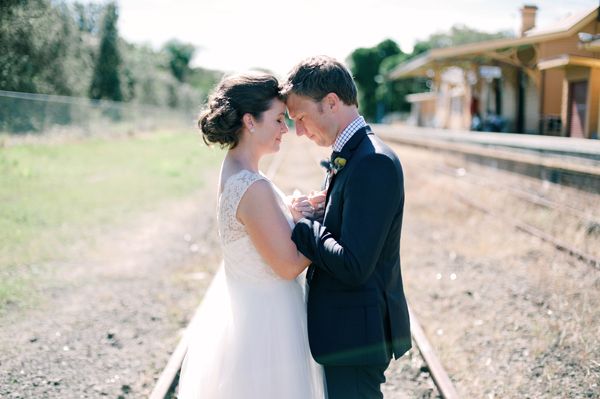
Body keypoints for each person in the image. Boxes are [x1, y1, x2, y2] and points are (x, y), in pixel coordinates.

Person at [177, 72, 325, 398]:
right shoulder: (252, 186)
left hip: (251, 313)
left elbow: (258, 228)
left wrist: (290, 211)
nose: (285, 129)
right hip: (268, 328)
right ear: (250, 121)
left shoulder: (236, 168)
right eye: (277, 119)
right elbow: (287, 266)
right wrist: (311, 224)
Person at [282, 56, 412, 399]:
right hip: (348, 329)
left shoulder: (373, 162)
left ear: (331, 103)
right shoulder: (354, 154)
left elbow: (354, 265)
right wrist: (329, 210)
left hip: (356, 334)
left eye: (301, 117)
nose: (299, 130)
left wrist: (305, 225)